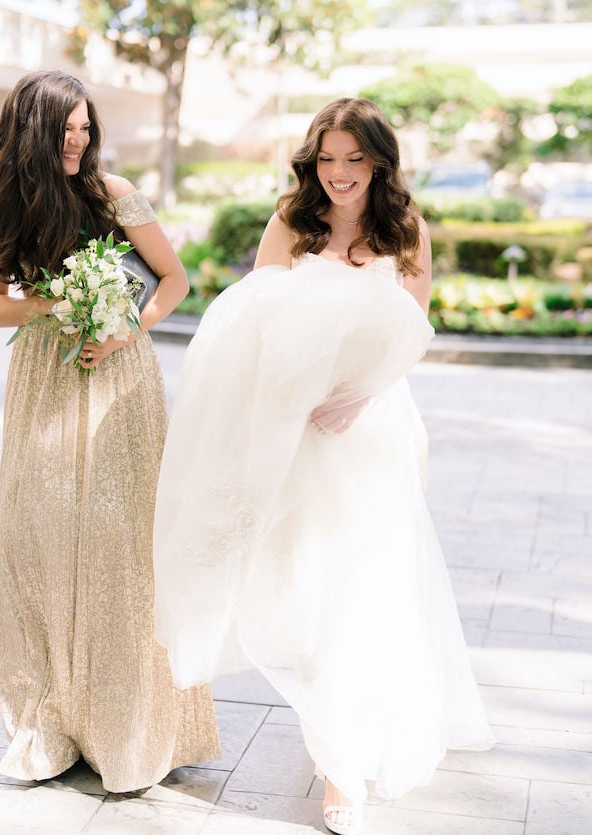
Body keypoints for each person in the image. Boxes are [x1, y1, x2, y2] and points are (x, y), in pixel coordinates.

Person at [151, 97, 493, 834]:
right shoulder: (290, 222)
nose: (339, 174)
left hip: (370, 431)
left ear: (378, 161)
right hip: (295, 435)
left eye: (354, 160)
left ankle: (344, 765)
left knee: (360, 591)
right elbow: (253, 331)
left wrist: (359, 396)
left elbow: (414, 331)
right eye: (328, 159)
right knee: (305, 593)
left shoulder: (404, 229)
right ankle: (337, 750)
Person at [0, 70, 219, 792]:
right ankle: (52, 716)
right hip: (45, 378)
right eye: (65, 128)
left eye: (84, 127)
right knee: (38, 539)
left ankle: (130, 721)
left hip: (118, 376)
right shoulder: (4, 201)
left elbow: (173, 281)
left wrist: (120, 327)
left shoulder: (113, 194)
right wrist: (54, 303)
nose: (77, 140)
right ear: (32, 132)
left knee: (119, 545)